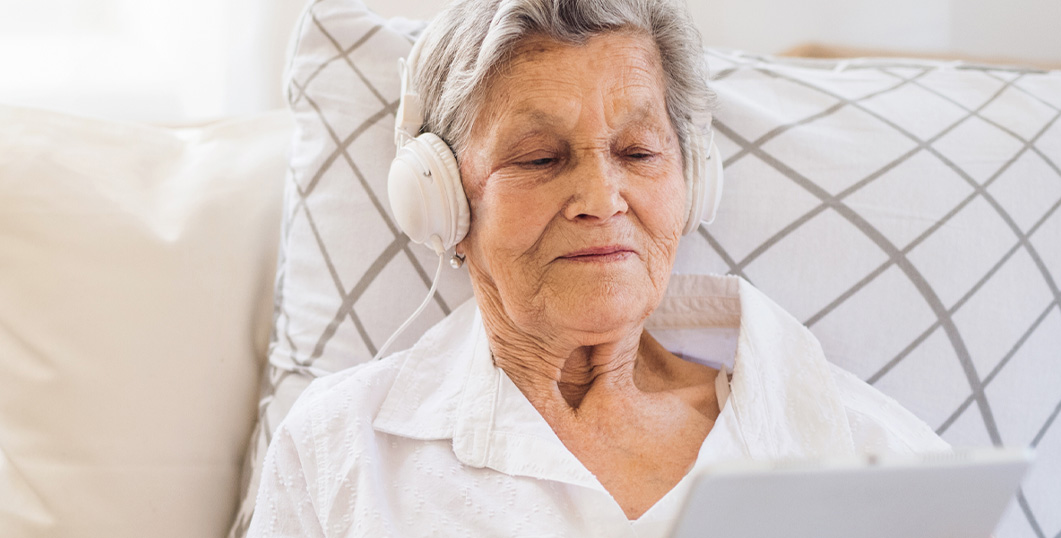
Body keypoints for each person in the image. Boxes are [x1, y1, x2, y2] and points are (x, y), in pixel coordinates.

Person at [246, 0, 951, 536]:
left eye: (639, 153)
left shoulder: (878, 455)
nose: (601, 199)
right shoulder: (338, 449)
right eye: (540, 159)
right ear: (440, 205)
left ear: (693, 183)